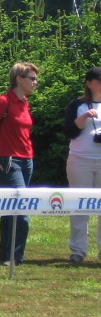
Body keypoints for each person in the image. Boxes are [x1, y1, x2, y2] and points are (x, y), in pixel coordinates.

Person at [0, 62, 39, 266]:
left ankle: (6, 255)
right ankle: (14, 257)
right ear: (18, 79)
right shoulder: (3, 101)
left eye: (35, 78)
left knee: (10, 208)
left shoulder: (24, 102)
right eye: (31, 78)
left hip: (26, 161)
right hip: (9, 161)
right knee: (21, 210)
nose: (35, 82)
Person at [63, 66, 101, 264]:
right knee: (79, 205)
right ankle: (78, 250)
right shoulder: (77, 104)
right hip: (80, 160)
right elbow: (69, 131)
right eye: (99, 80)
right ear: (89, 83)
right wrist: (85, 117)